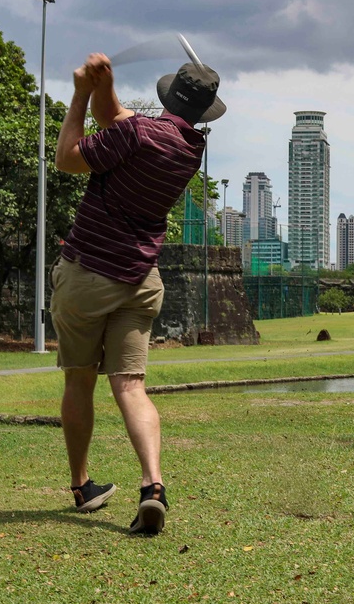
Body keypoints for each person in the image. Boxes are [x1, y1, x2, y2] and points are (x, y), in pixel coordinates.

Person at [51, 52, 226, 534]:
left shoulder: (137, 134)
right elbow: (120, 122)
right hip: (139, 279)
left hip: (87, 274)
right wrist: (105, 84)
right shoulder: (189, 147)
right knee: (130, 386)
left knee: (79, 379)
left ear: (166, 96)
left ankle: (82, 485)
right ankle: (153, 486)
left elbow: (67, 160)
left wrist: (82, 92)